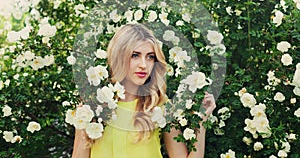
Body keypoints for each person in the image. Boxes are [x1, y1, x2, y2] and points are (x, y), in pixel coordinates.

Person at [72, 24, 216, 158]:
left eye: (150, 57)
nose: (143, 65)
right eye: (135, 55)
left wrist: (201, 123)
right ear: (119, 56)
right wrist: (83, 126)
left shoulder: (159, 104)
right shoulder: (95, 103)